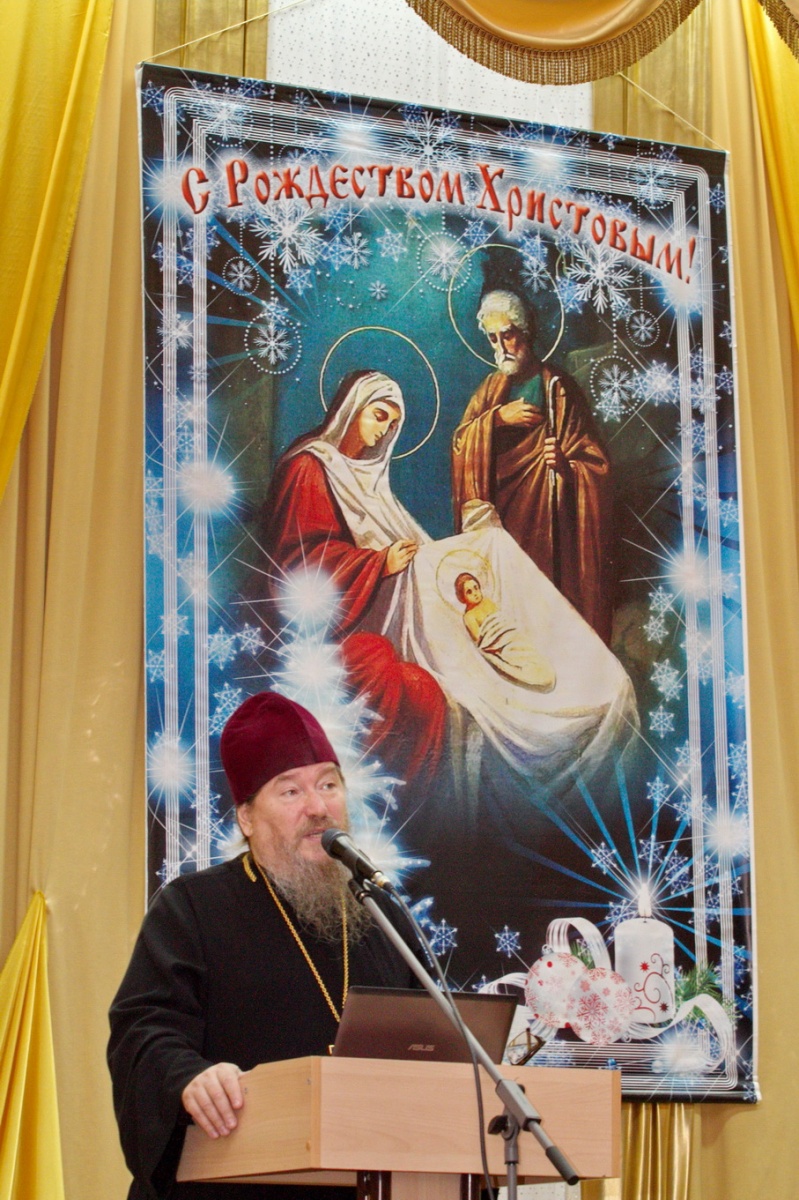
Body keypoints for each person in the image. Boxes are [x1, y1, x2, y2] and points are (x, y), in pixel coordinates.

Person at [108, 692, 419, 1200]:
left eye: (329, 785)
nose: (318, 808)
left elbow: (433, 1044)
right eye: (290, 791)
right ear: (247, 819)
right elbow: (144, 1029)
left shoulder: (383, 915)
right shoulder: (192, 908)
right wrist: (188, 1077)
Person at [259, 370, 449, 786]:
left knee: (426, 692)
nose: (383, 431)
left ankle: (411, 806)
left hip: (362, 624)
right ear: (352, 409)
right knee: (380, 664)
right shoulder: (309, 467)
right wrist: (378, 564)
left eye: (392, 425)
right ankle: (347, 792)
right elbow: (298, 563)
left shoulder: (371, 485)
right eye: (379, 416)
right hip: (315, 636)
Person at [451, 290, 614, 644]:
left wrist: (567, 468)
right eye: (493, 338)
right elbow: (462, 442)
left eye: (508, 335)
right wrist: (496, 419)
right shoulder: (490, 390)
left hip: (549, 522)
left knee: (543, 606)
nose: (501, 347)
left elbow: (596, 464)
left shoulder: (558, 387)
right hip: (500, 518)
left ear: (525, 332)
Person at [453, 570, 555, 691]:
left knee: (527, 651)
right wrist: (494, 638)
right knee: (517, 660)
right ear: (462, 597)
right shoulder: (469, 616)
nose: (475, 593)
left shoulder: (487, 602)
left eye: (476, 588)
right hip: (498, 646)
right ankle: (534, 676)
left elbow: (501, 620)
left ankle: (541, 670)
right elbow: (480, 640)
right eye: (469, 592)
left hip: (511, 636)